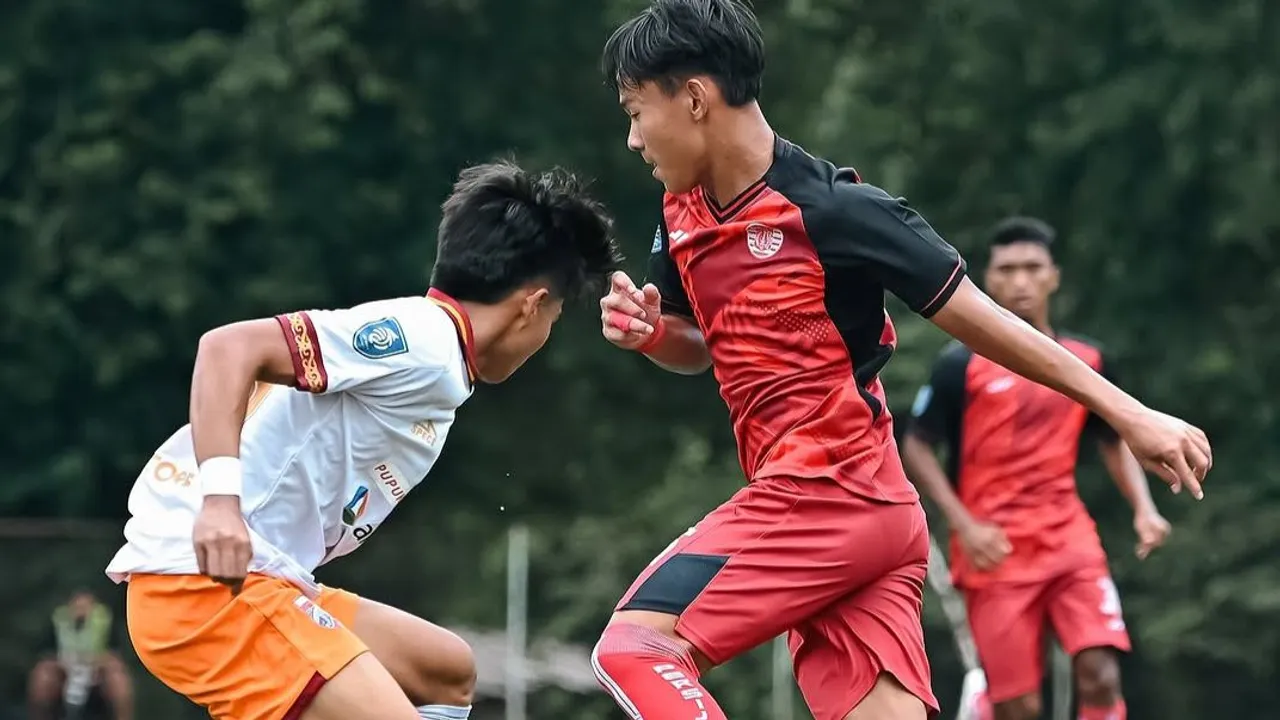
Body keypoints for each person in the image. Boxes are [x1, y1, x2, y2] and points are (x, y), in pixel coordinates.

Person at [592, 2, 1210, 719]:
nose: (633, 139)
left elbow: (988, 325)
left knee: (634, 647)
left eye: (636, 112)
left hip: (826, 491)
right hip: (866, 515)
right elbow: (696, 347)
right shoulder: (682, 214)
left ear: (694, 97)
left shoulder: (839, 211)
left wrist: (1130, 413)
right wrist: (650, 333)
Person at [104, 161, 621, 720]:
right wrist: (221, 505)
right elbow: (227, 349)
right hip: (207, 589)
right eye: (557, 315)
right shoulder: (424, 342)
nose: (545, 335)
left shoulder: (440, 359)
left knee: (444, 671)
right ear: (531, 304)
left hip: (257, 583)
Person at [901, 217, 1171, 720]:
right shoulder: (959, 365)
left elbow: (1113, 437)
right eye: (1008, 270)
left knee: (1101, 674)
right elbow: (916, 447)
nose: (1021, 281)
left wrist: (1144, 508)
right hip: (993, 551)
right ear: (990, 279)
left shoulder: (1087, 360)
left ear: (1054, 277)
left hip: (1069, 541)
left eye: (1032, 268)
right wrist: (965, 525)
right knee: (1018, 706)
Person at [28, 589, 134, 720]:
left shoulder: (104, 619)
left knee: (118, 677)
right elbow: (46, 651)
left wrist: (101, 662)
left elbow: (115, 650)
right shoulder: (58, 618)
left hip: (98, 666)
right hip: (64, 667)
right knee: (42, 675)